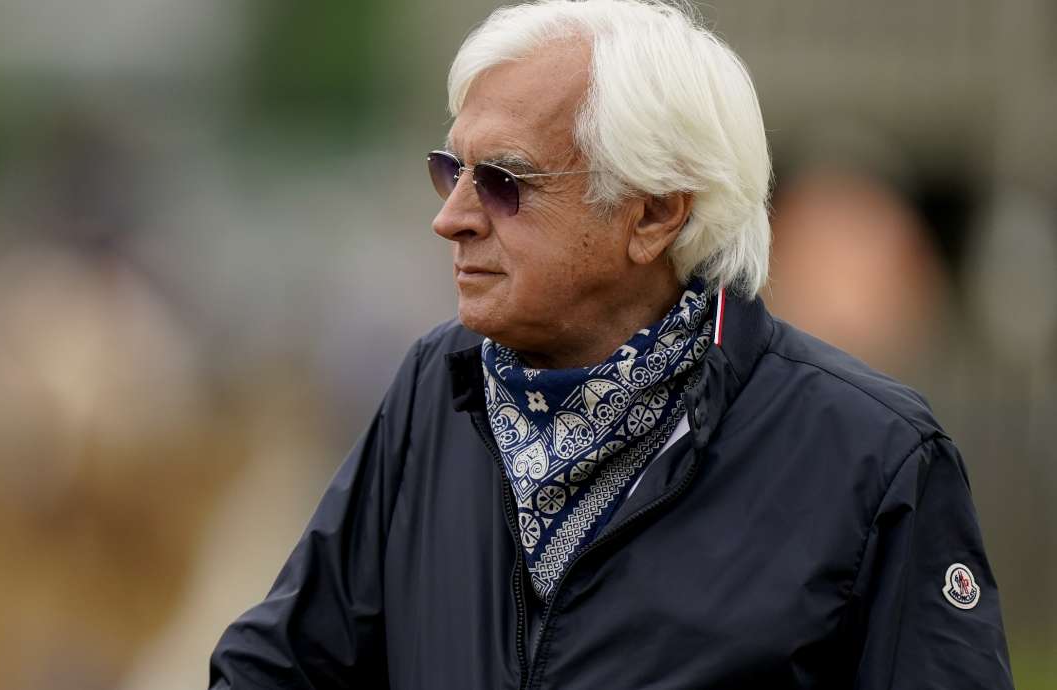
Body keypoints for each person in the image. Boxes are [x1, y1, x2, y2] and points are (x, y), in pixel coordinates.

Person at [209, 1, 1013, 688]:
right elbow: (279, 666)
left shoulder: (877, 458)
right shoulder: (438, 386)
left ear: (655, 214)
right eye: (449, 170)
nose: (450, 216)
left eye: (502, 182)